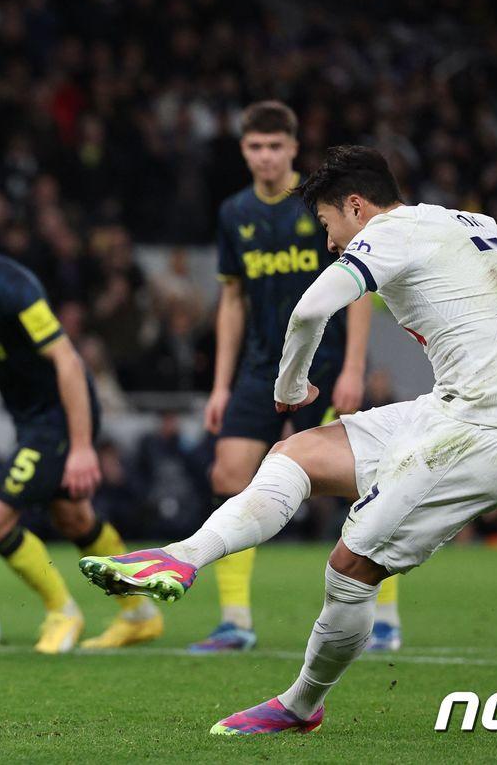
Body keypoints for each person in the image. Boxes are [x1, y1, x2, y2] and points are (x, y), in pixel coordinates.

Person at [80, 145, 497, 736]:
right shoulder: (467, 222)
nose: (329, 243)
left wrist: (290, 385)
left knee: (350, 568)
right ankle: (182, 557)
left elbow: (308, 311)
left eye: (328, 225)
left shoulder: (390, 232)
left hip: (483, 436)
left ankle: (301, 706)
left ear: (355, 206)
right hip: (448, 413)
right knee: (296, 455)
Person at [0, 189, 163, 653]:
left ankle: (62, 610)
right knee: (74, 518)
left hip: (59, 415)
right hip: (30, 419)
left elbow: (67, 360)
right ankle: (140, 614)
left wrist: (81, 446)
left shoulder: (13, 287)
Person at [195, 100, 398, 654]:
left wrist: (353, 368)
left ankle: (383, 616)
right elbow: (231, 300)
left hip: (325, 365)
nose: (265, 157)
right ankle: (235, 621)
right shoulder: (234, 213)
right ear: (243, 150)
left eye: (274, 146)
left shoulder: (320, 207)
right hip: (262, 367)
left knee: (362, 483)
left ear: (292, 148)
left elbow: (359, 288)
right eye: (255, 147)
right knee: (228, 473)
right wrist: (220, 385)